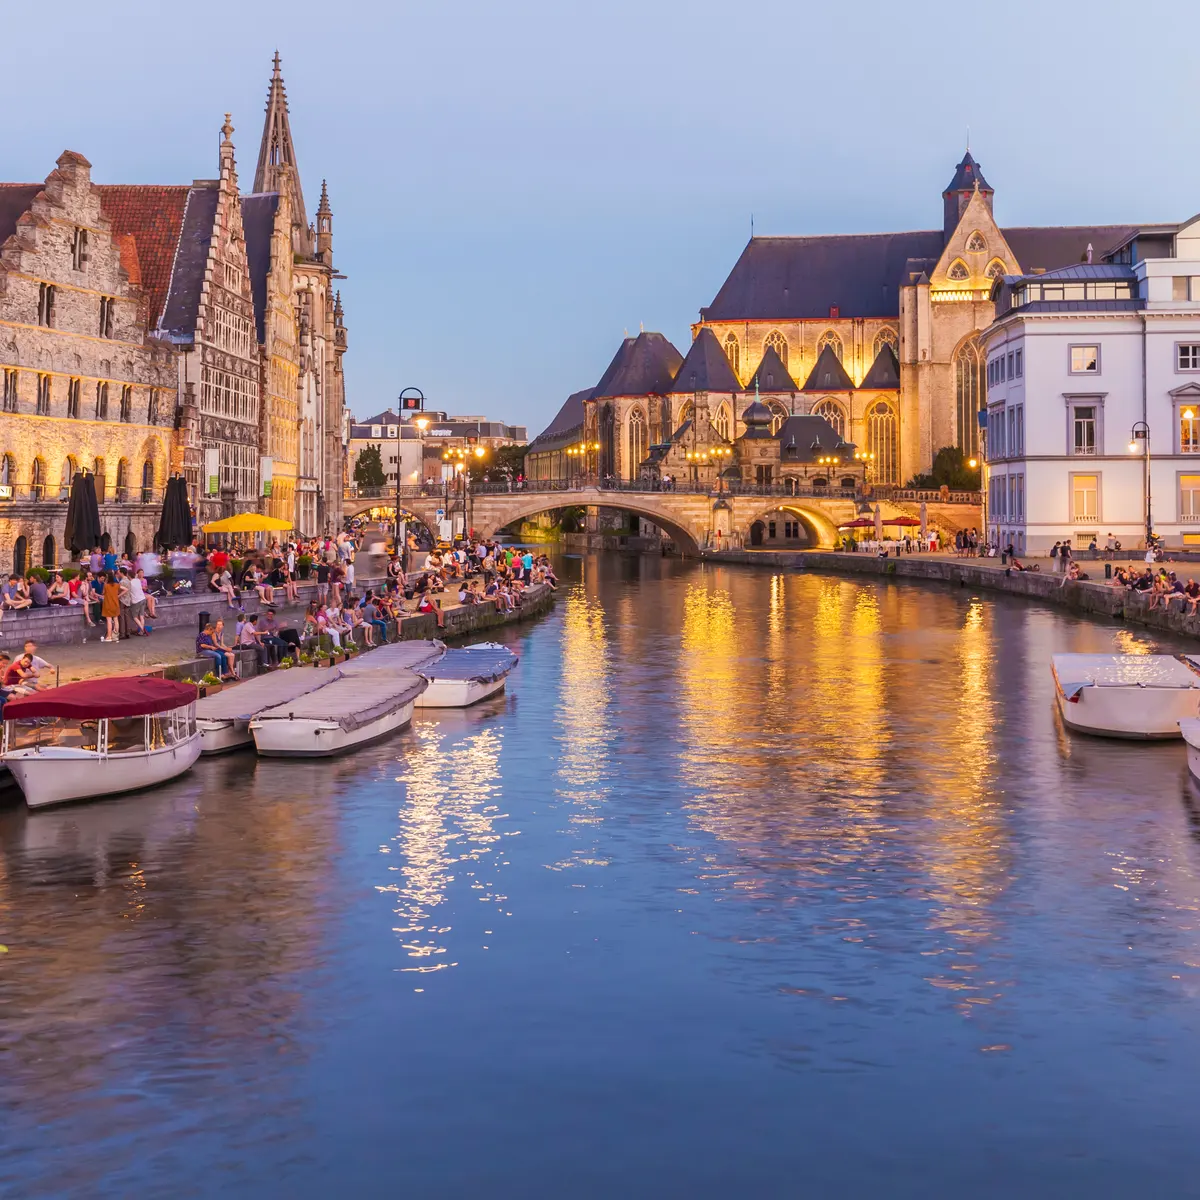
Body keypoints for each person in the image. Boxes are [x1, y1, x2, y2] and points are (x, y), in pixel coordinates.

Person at [100, 569, 121, 641]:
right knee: (116, 619)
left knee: (109, 620)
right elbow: (126, 589)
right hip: (115, 604)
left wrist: (105, 582)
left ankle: (109, 636)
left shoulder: (106, 585)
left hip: (108, 604)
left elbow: (103, 593)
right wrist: (118, 595)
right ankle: (115, 635)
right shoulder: (117, 585)